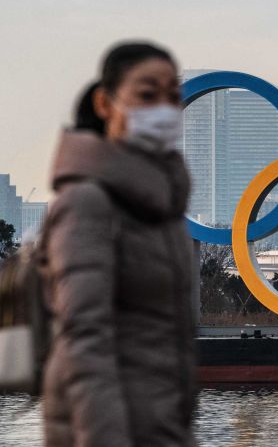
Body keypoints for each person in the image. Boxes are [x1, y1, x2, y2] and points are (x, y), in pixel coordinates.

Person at [42, 42, 196, 446]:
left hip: (160, 428)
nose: (163, 110)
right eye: (146, 95)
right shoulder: (87, 202)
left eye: (173, 97)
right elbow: (85, 342)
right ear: (105, 103)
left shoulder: (162, 212)